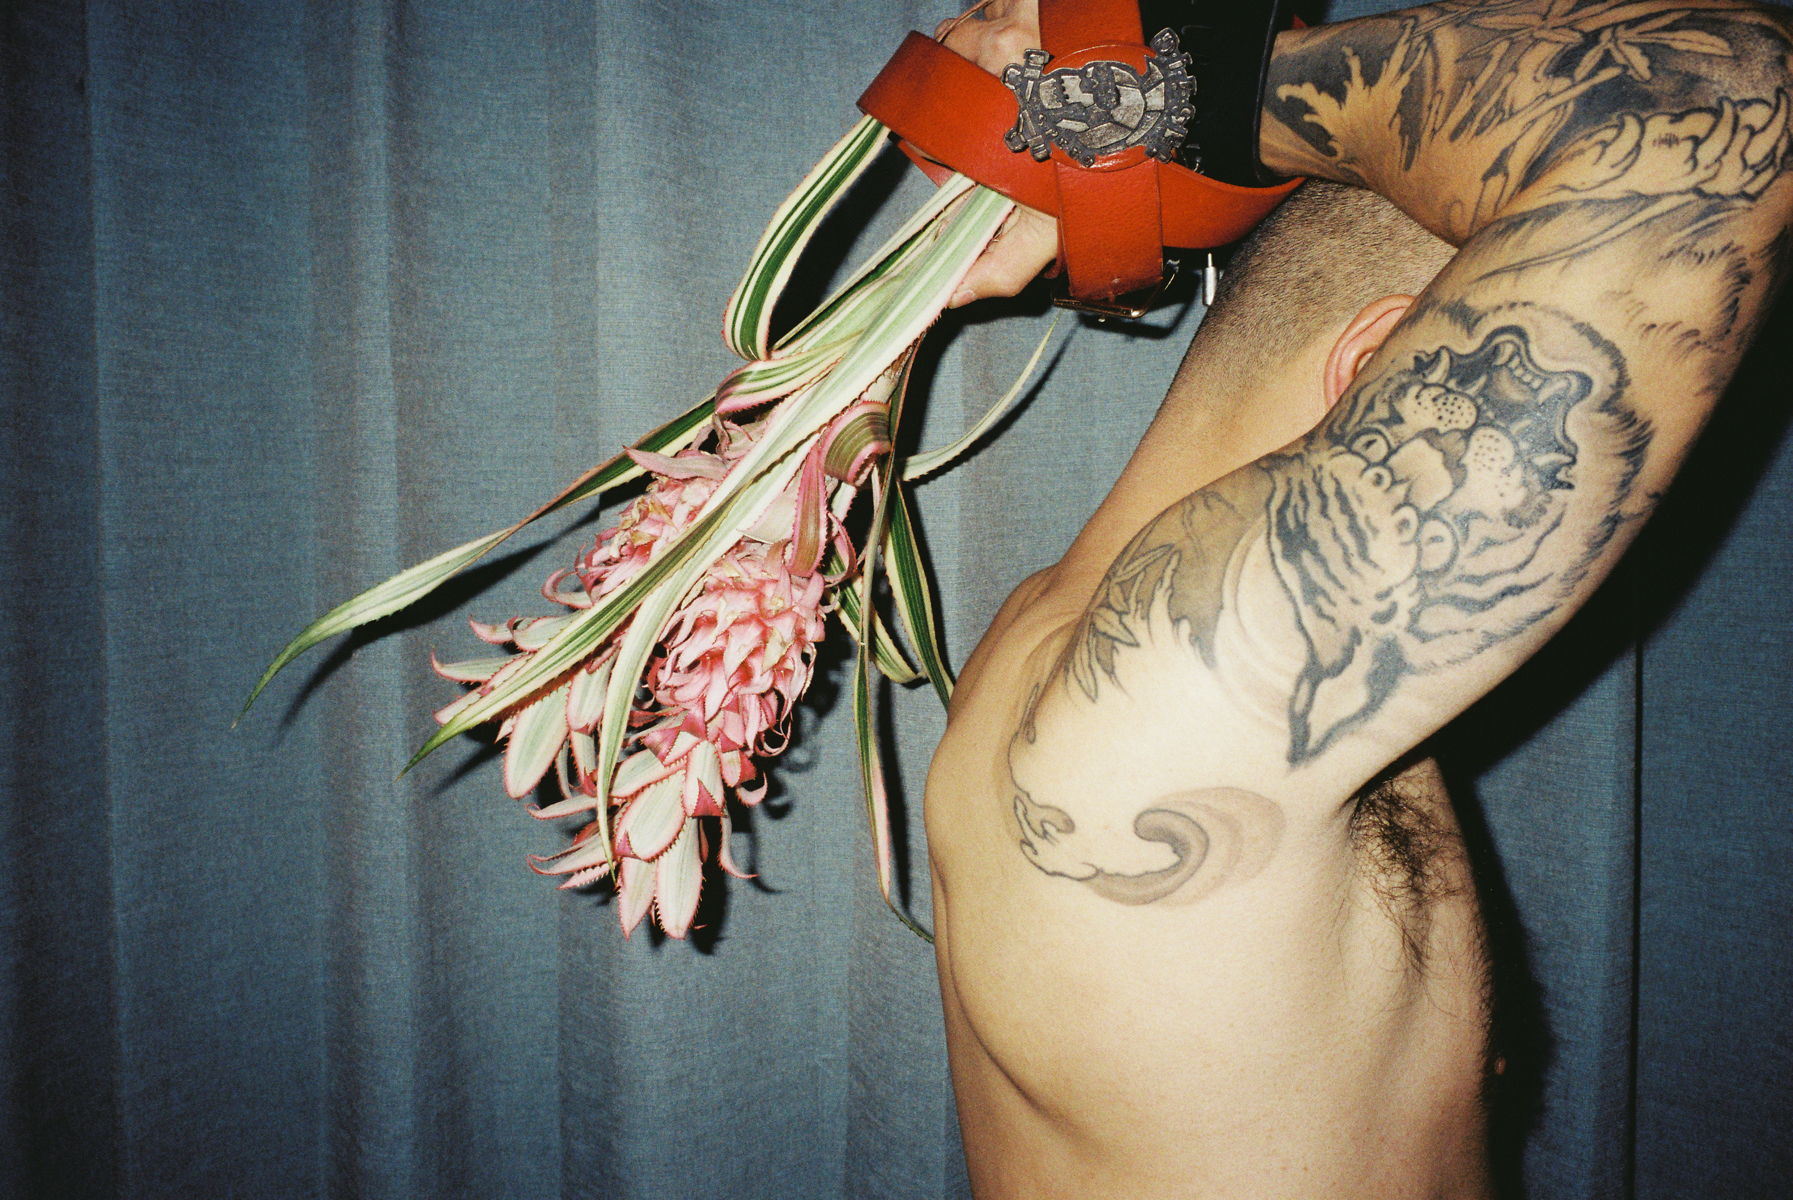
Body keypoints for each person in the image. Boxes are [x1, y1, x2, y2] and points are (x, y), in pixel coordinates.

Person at [919, 1, 1793, 1195]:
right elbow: (1711, 109)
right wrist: (1160, 98)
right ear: (1380, 367)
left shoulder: (1113, 666)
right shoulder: (1172, 698)